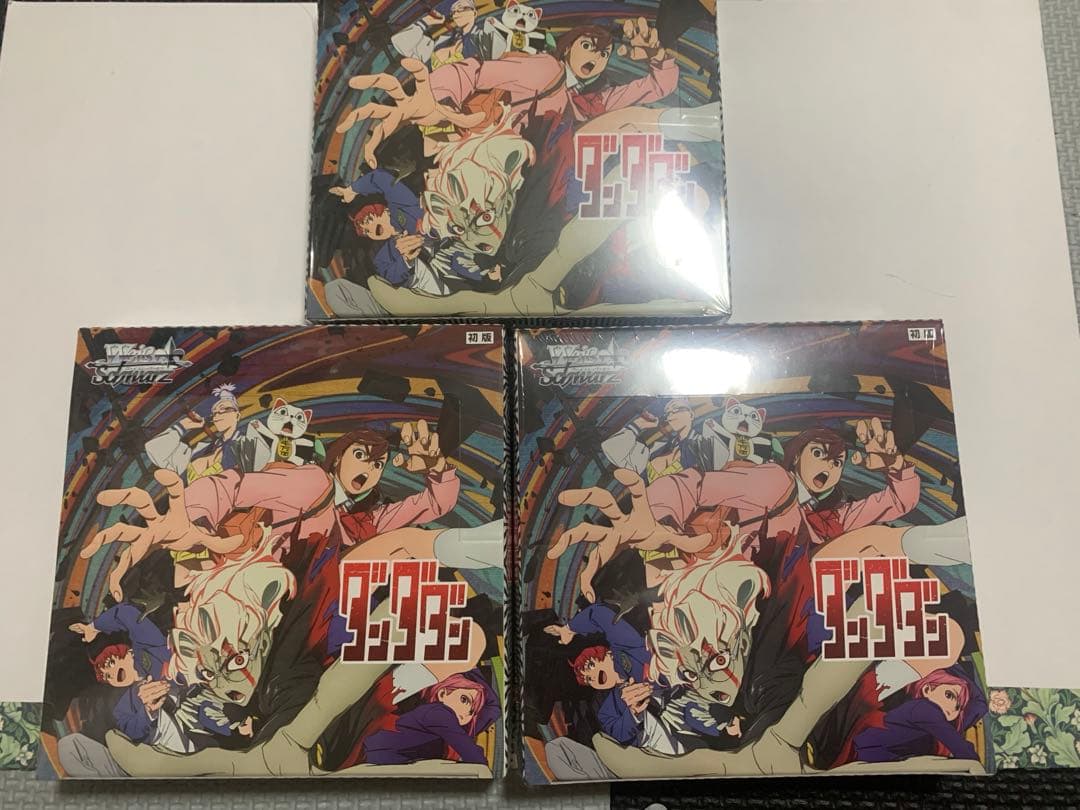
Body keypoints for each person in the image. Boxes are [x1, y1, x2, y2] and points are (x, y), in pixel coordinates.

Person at [362, 670, 498, 765]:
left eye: (473, 712)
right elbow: (471, 753)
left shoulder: (448, 723)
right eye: (464, 699)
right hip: (375, 758)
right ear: (443, 693)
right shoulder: (438, 713)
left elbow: (493, 709)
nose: (466, 712)